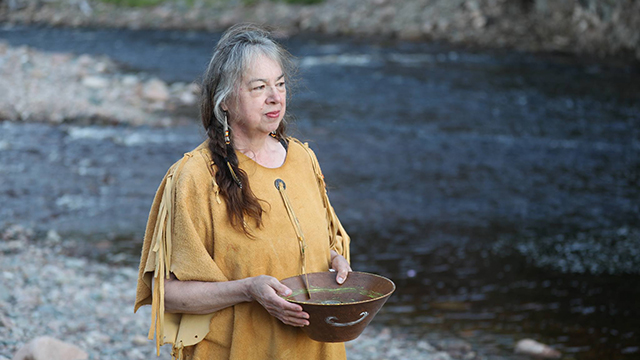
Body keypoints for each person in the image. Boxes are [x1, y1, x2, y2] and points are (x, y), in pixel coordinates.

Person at [134, 23, 351, 360]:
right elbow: (168, 293)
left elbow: (325, 244)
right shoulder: (193, 177)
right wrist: (248, 290)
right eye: (259, 87)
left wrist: (336, 263)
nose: (275, 97)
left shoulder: (304, 159)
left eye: (279, 84)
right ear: (225, 102)